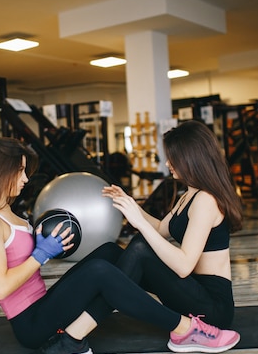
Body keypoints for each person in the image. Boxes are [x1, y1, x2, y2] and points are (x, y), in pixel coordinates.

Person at [0, 136, 240, 354]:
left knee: (108, 253)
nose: (25, 178)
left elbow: (22, 259)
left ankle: (73, 339)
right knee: (101, 272)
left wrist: (47, 248)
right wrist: (41, 254)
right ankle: (184, 329)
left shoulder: (8, 214)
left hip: (43, 305)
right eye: (19, 171)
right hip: (31, 324)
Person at [102, 119, 243, 330]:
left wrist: (139, 222)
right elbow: (161, 229)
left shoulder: (206, 200)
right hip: (191, 290)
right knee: (109, 253)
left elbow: (184, 266)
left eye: (173, 158)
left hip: (212, 307)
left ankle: (83, 323)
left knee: (141, 247)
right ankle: (86, 310)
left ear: (190, 159)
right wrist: (129, 203)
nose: (168, 164)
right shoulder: (189, 194)